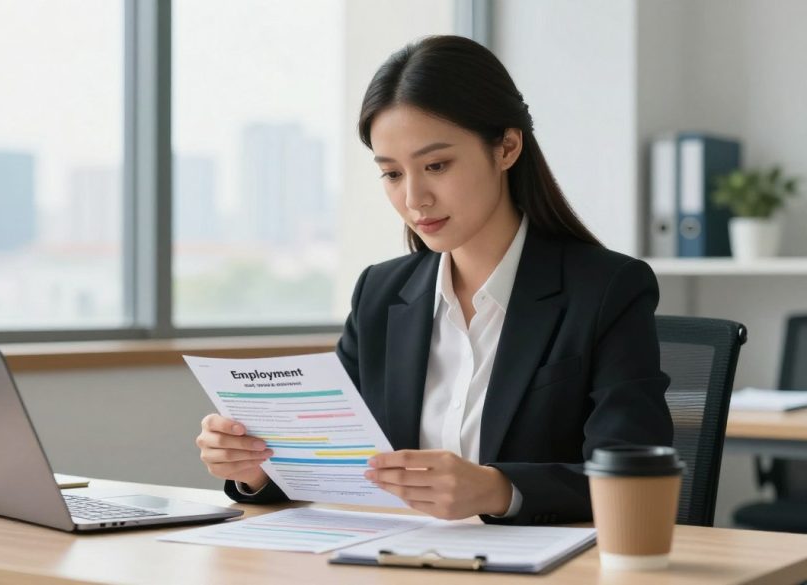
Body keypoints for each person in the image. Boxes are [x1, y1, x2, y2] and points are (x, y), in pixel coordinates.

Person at [195, 35, 673, 525]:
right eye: (392, 174)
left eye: (437, 166)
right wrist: (254, 467)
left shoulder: (607, 289)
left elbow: (634, 476)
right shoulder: (381, 295)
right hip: (397, 561)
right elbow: (335, 462)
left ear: (507, 148)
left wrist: (497, 490)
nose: (415, 198)